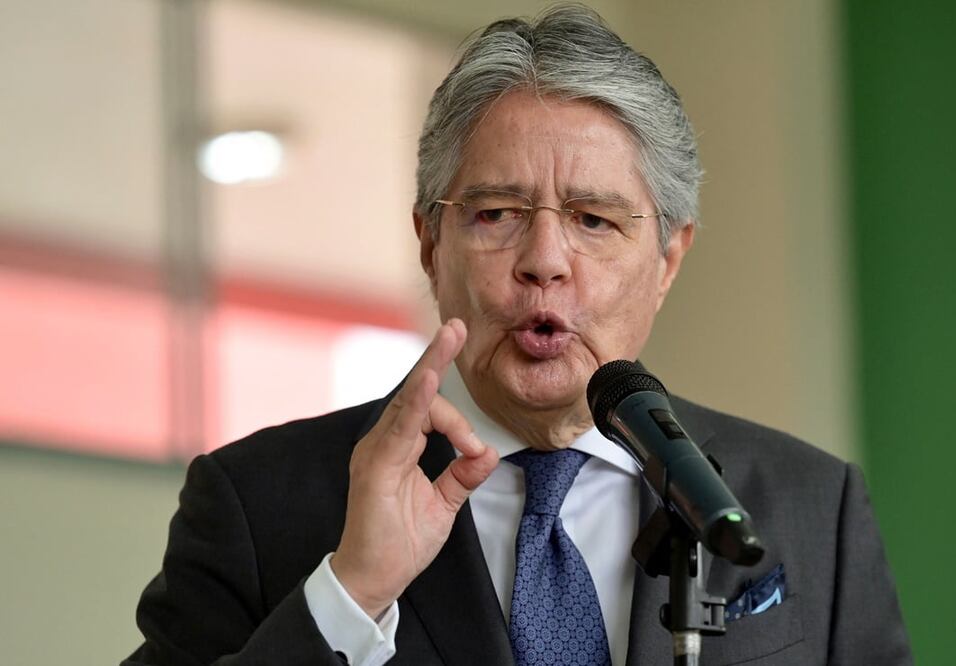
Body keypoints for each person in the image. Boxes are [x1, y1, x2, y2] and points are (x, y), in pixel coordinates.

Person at [124, 6, 911, 665]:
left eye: (594, 220)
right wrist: (349, 593)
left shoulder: (810, 507)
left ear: (669, 259)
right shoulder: (260, 503)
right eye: (497, 214)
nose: (544, 263)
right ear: (431, 244)